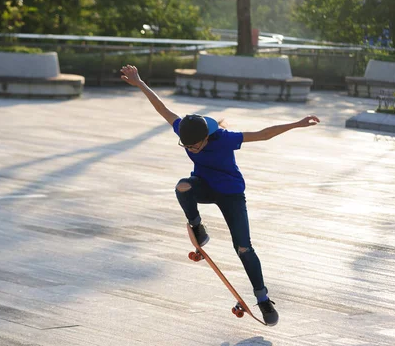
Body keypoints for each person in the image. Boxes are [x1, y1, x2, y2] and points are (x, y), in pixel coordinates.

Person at [120, 65, 320, 326]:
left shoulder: (224, 139)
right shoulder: (185, 128)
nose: (191, 149)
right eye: (187, 146)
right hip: (203, 185)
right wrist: (140, 83)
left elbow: (262, 135)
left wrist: (297, 123)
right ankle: (197, 226)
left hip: (231, 194)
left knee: (243, 247)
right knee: (182, 186)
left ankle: (263, 299)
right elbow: (163, 109)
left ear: (205, 138)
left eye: (194, 145)